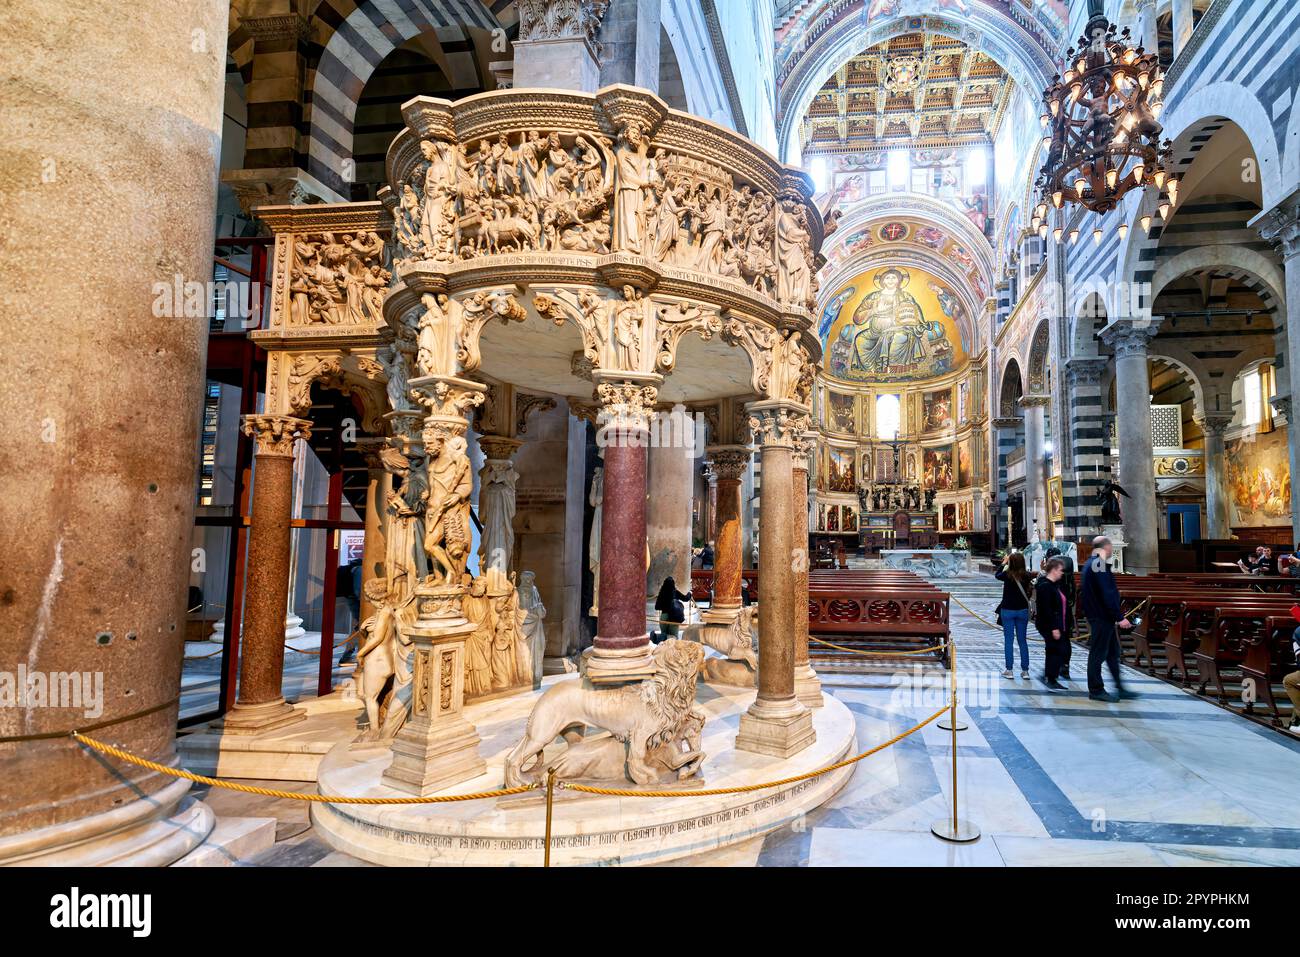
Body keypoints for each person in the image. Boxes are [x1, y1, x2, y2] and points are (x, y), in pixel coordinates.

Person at [1081, 535, 1132, 702]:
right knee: (1098, 654)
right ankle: (1096, 690)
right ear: (1107, 547)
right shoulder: (1098, 565)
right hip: (1101, 616)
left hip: (1102, 616)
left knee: (1112, 653)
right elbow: (1107, 593)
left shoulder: (1094, 564)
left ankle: (1120, 687)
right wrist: (1119, 617)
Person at [995, 551, 1035, 680]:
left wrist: (1004, 563)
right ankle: (1025, 671)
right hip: (1022, 610)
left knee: (1009, 640)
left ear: (1011, 563)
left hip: (1008, 610)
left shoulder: (1007, 575)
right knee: (1022, 640)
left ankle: (1009, 670)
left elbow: (997, 575)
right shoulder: (1027, 575)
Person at [1035, 557, 1071, 690]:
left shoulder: (1055, 585)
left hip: (1058, 624)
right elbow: (1047, 609)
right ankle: (1051, 678)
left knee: (1055, 649)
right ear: (1054, 570)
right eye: (1060, 570)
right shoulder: (1045, 586)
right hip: (1049, 624)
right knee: (1055, 650)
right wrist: (1054, 627)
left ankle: (1049, 675)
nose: (1062, 573)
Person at [1044, 546, 1076, 680]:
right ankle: (1065, 666)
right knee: (1066, 640)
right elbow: (1072, 595)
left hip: (1055, 615)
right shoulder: (1068, 575)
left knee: (1053, 642)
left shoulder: (1051, 576)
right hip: (1067, 612)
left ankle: (1052, 670)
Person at [652, 576, 691, 642]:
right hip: (674, 617)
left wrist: (665, 605)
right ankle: (658, 638)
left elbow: (657, 607)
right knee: (674, 637)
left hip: (664, 616)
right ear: (673, 584)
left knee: (664, 636)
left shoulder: (662, 593)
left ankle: (658, 638)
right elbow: (685, 598)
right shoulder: (674, 592)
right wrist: (689, 593)